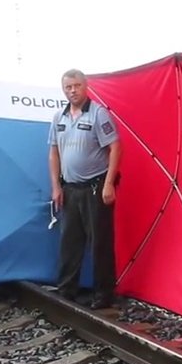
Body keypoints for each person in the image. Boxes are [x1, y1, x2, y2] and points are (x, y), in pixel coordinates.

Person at [48, 69, 121, 310]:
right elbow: (54, 152)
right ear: (63, 89)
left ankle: (104, 294)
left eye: (77, 86)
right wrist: (56, 186)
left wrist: (109, 183)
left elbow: (115, 147)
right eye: (68, 87)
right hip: (70, 189)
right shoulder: (59, 116)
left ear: (85, 86)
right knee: (70, 241)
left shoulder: (98, 114)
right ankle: (67, 290)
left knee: (99, 241)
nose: (72, 91)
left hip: (95, 187)